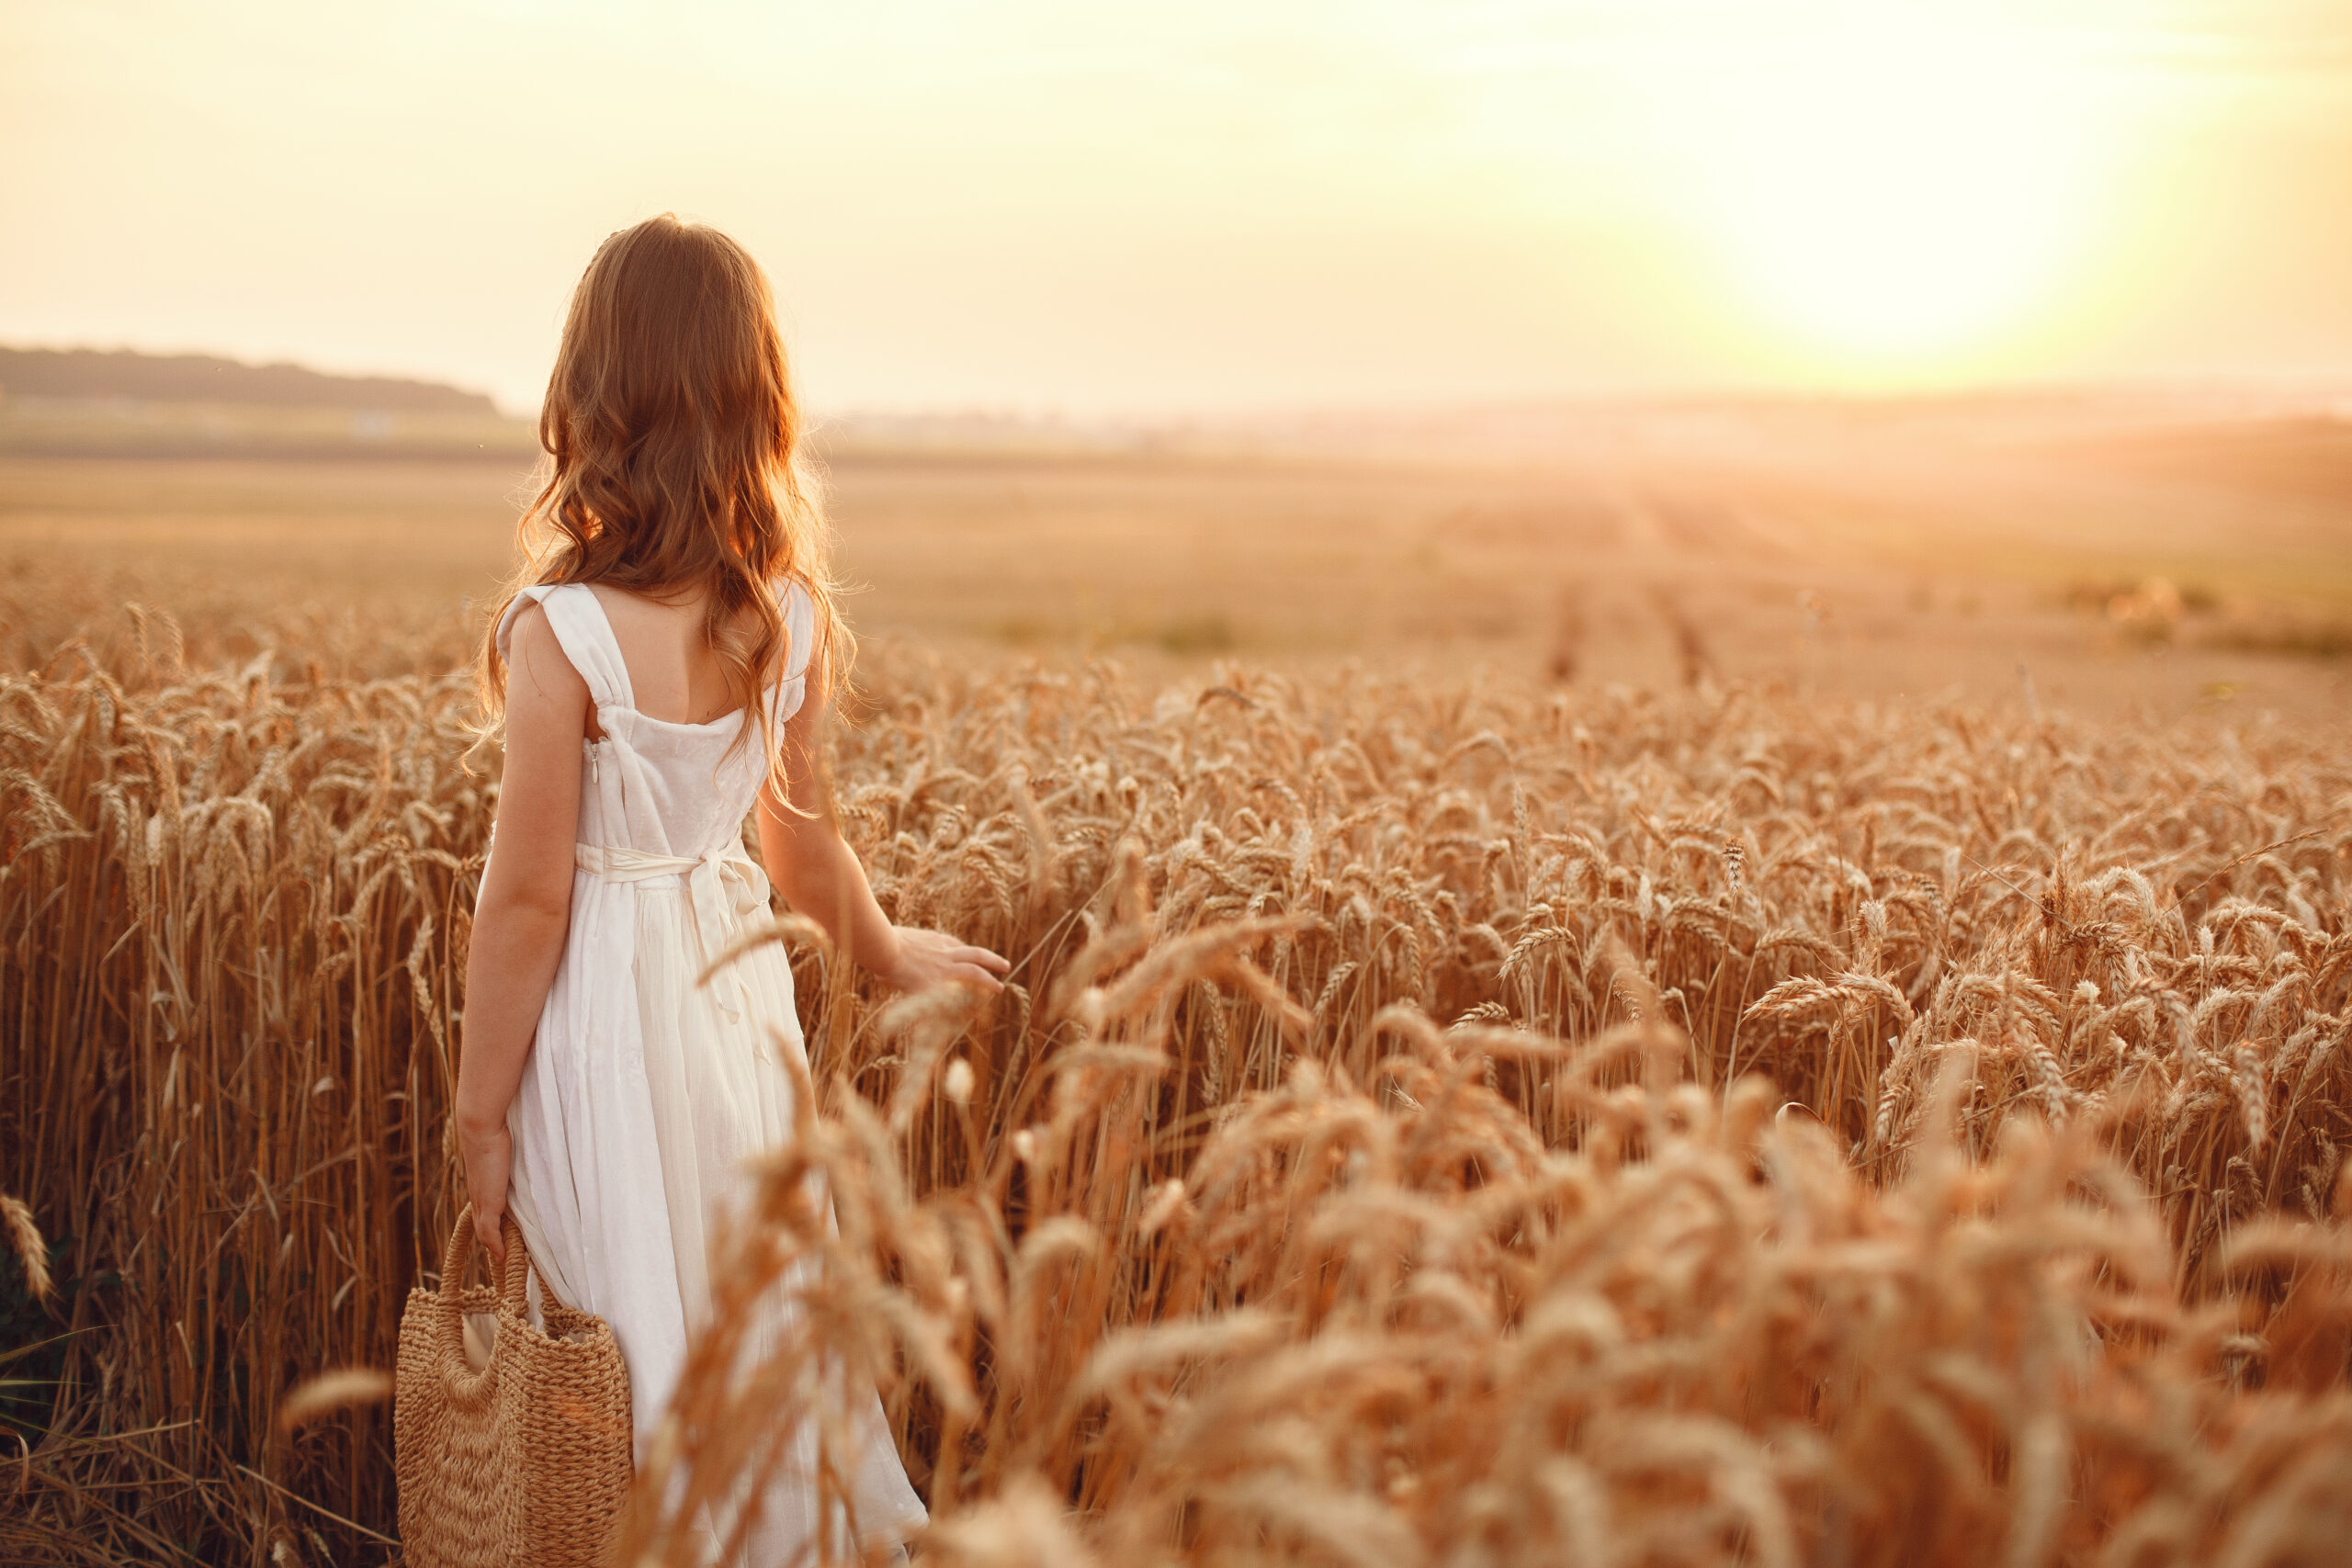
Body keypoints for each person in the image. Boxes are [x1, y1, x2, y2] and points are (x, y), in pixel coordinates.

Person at [453, 214, 1010, 1562]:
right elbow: (801, 850)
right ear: (755, 399)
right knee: (756, 1311)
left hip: (602, 1015)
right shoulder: (784, 615)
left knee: (622, 1324)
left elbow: (528, 901)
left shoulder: (562, 631)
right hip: (732, 1003)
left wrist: (477, 1112)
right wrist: (880, 952)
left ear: (594, 396)